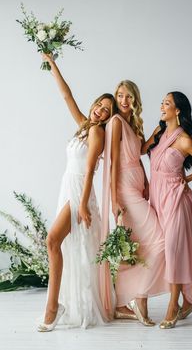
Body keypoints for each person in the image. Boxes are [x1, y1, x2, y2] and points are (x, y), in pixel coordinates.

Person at [37, 54, 117, 331]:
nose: (100, 111)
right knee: (56, 244)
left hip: (79, 191)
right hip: (67, 186)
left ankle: (52, 307)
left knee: (51, 241)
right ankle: (54, 305)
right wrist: (53, 65)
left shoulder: (97, 134)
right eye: (99, 105)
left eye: (107, 110)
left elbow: (91, 169)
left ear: (109, 117)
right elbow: (66, 96)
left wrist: (82, 204)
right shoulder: (85, 126)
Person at [142, 91, 192, 329]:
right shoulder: (160, 133)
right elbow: (142, 151)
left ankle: (173, 305)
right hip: (157, 199)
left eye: (167, 103)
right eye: (162, 102)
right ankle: (187, 301)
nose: (162, 106)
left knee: (174, 253)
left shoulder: (184, 140)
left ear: (178, 110)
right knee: (163, 251)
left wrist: (188, 180)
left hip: (176, 200)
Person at [100, 80, 169, 326]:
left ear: (135, 99)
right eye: (120, 96)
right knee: (159, 239)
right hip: (124, 190)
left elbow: (139, 151)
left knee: (137, 246)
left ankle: (122, 302)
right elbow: (113, 162)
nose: (124, 101)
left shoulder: (131, 123)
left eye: (128, 96)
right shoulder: (116, 122)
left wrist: (147, 180)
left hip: (137, 187)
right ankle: (139, 298)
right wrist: (114, 200)